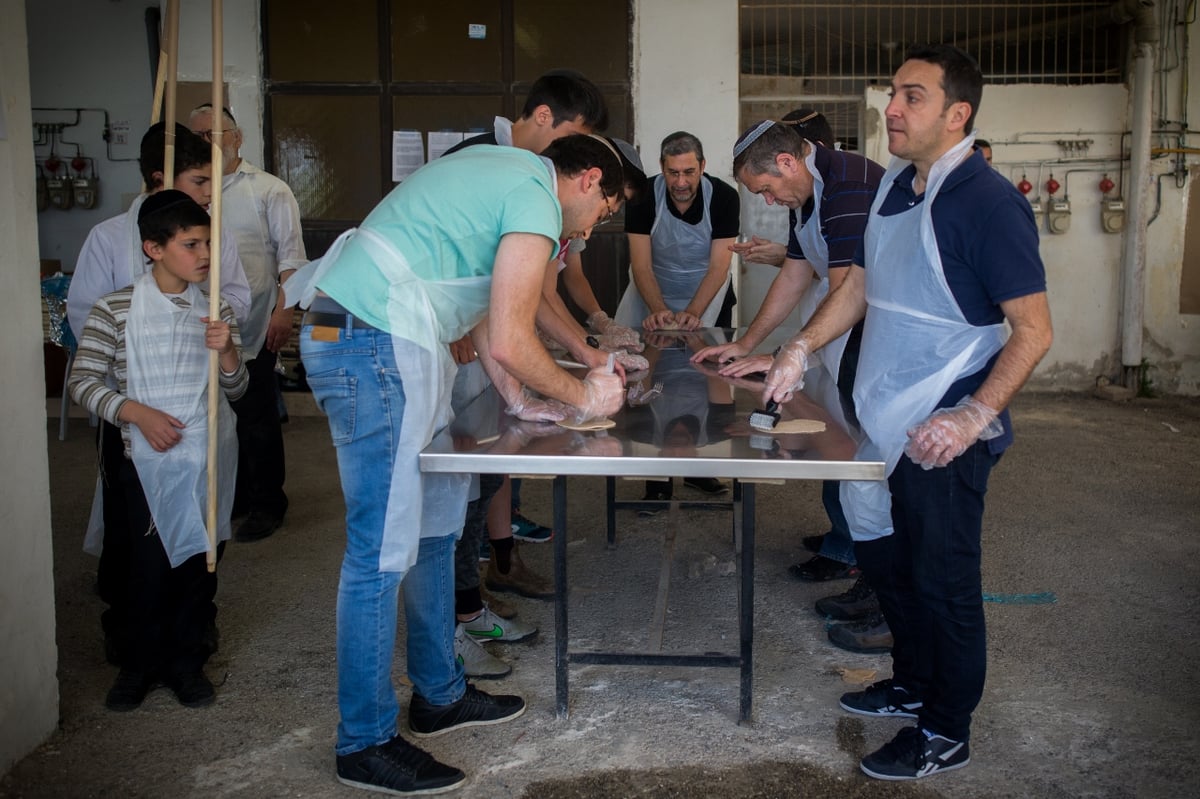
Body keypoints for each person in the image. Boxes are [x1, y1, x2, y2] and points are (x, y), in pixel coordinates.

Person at [285, 134, 627, 795]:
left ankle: (439, 692)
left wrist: (524, 401)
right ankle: (364, 740)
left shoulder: (497, 170)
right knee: (380, 549)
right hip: (369, 335)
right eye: (605, 209)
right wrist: (583, 395)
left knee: (438, 522)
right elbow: (510, 331)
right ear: (588, 180)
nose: (594, 225)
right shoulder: (536, 196)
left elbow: (479, 314)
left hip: (369, 326)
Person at [760, 44, 1053, 780]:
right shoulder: (896, 185)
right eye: (893, 92)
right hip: (881, 420)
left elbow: (1035, 329)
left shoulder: (989, 202)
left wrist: (970, 416)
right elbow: (856, 287)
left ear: (958, 114)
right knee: (887, 563)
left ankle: (947, 728)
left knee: (942, 579)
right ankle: (913, 683)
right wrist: (798, 347)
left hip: (941, 433)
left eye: (913, 96)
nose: (892, 107)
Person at [692, 111, 889, 649]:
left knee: (881, 477)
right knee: (860, 476)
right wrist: (749, 344)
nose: (767, 201)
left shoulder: (849, 186)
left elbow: (849, 290)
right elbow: (798, 272)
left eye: (765, 189)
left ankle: (891, 605)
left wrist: (795, 349)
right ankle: (873, 583)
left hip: (884, 351)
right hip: (848, 343)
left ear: (786, 161)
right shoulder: (808, 196)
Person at [67, 122, 252, 670]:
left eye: (207, 245)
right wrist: (137, 412)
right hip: (139, 449)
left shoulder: (212, 308)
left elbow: (235, 388)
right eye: (192, 245)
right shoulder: (115, 304)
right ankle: (138, 663)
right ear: (154, 248)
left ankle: (188, 658)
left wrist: (226, 353)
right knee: (142, 558)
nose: (204, 255)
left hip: (205, 453)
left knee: (200, 559)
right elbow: (84, 378)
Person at [189, 103, 308, 543]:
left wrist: (285, 310)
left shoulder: (268, 191)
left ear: (236, 138)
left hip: (253, 324)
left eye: (213, 134)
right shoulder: (187, 192)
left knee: (255, 416)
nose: (206, 143)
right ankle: (233, 495)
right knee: (214, 419)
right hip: (200, 326)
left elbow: (292, 257)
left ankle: (267, 502)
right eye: (196, 136)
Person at [615, 131, 739, 503]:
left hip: (707, 294)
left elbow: (719, 266)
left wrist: (692, 314)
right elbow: (641, 263)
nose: (681, 182)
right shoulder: (643, 197)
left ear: (702, 167)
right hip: (652, 289)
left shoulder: (725, 198)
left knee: (707, 370)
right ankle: (658, 478)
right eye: (673, 173)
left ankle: (696, 473)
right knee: (644, 376)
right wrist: (659, 311)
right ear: (661, 169)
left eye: (689, 172)